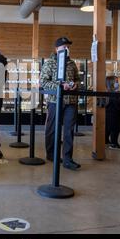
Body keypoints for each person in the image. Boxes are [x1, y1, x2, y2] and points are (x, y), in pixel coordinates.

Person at [40, 37, 81, 170]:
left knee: (69, 130)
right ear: (57, 49)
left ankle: (68, 159)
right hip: (54, 101)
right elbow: (44, 82)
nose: (67, 49)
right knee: (52, 128)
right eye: (64, 47)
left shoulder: (72, 63)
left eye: (68, 47)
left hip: (71, 101)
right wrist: (60, 86)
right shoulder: (49, 63)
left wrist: (75, 84)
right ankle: (52, 154)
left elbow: (78, 79)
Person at [105, 76, 120, 149]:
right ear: (112, 84)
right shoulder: (114, 94)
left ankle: (107, 141)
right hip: (115, 115)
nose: (118, 83)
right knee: (116, 129)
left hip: (108, 114)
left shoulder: (107, 92)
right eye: (116, 82)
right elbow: (119, 104)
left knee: (108, 128)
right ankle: (114, 144)